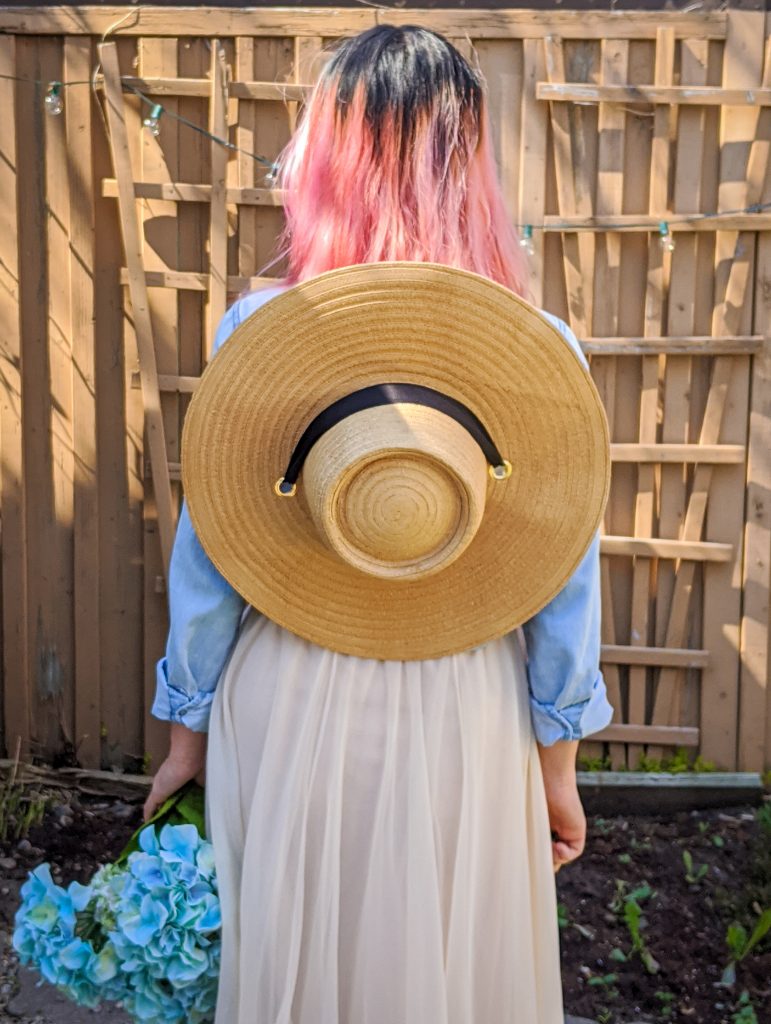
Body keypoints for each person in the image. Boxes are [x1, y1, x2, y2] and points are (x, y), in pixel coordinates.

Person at [143, 25, 614, 1024]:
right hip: (465, 707)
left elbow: (213, 556)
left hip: (289, 688)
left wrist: (185, 734)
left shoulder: (258, 330)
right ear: (469, 164)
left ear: (329, 159)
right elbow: (564, 575)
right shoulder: (542, 350)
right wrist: (557, 766)